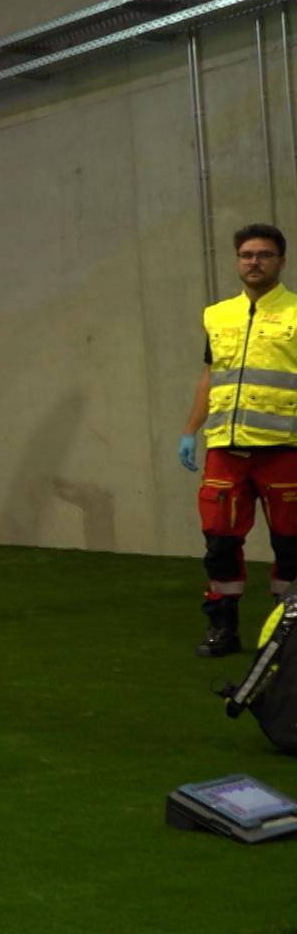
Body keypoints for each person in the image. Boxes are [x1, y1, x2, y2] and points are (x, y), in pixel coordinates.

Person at [179, 224, 297, 657]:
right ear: (237, 260)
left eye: (264, 255)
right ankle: (223, 629)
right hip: (226, 451)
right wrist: (190, 431)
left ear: (281, 262)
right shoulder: (218, 315)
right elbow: (211, 377)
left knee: (292, 546)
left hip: (285, 451)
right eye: (246, 254)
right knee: (220, 543)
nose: (254, 262)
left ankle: (287, 635)